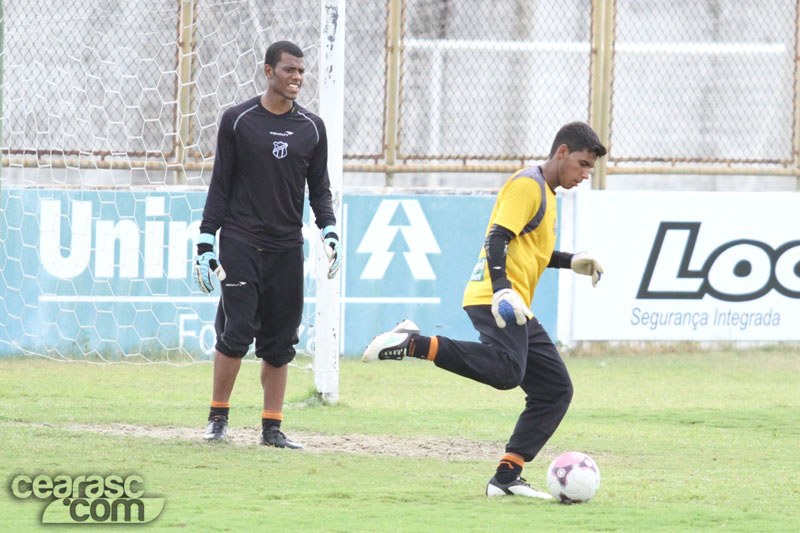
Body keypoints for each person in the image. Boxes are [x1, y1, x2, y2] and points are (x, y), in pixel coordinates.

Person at [363, 122, 606, 497]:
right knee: (508, 371)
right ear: (562, 152)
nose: (586, 174)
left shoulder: (549, 193)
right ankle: (413, 343)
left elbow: (531, 250)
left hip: (515, 300)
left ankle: (507, 478)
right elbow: (497, 237)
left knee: (555, 389)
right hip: (494, 295)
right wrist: (502, 291)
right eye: (583, 163)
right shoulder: (529, 184)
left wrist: (570, 260)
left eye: (590, 167)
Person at [192, 41, 340, 449]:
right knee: (236, 332)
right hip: (241, 243)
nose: (297, 78)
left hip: (286, 249)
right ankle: (217, 419)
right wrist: (206, 239)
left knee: (280, 342)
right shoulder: (237, 120)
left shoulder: (312, 128)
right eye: (289, 70)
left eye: (301, 72)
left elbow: (320, 191)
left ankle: (271, 428)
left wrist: (329, 230)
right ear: (268, 71)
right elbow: (220, 185)